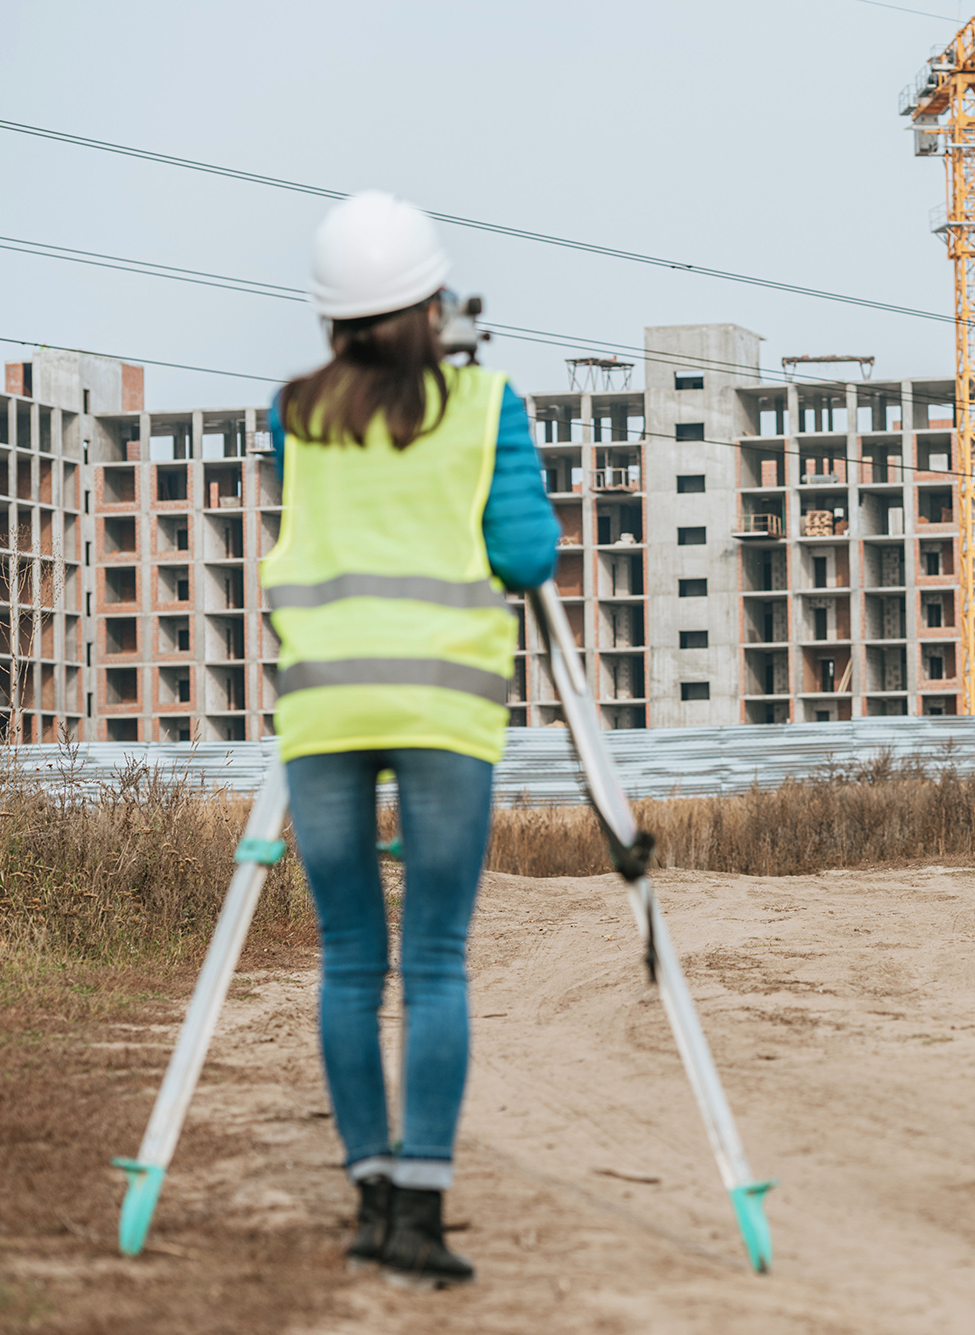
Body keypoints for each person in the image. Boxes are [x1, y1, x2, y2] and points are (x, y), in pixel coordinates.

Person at [259, 191, 560, 1289]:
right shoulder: (485, 406)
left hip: (324, 709)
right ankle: (421, 1217)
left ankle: (369, 1194)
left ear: (330, 319)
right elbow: (526, 560)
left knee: (350, 959)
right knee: (432, 959)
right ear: (433, 303)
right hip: (442, 709)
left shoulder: (294, 414)